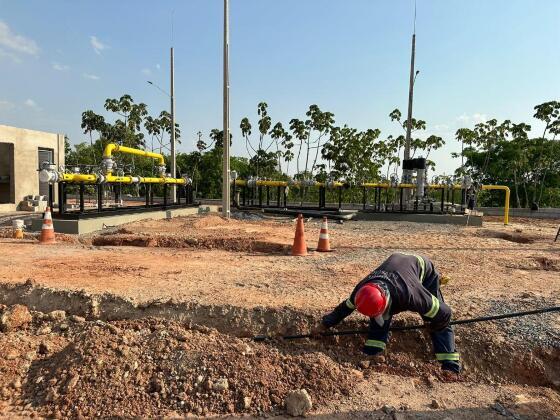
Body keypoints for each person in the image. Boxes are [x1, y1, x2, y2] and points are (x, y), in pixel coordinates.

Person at [312, 252, 460, 373]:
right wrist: (324, 325)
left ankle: (450, 366)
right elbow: (343, 309)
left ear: (388, 300)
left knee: (434, 315)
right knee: (378, 321)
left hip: (421, 269)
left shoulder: (410, 294)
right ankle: (372, 353)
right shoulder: (361, 292)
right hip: (396, 266)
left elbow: (445, 313)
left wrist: (433, 324)